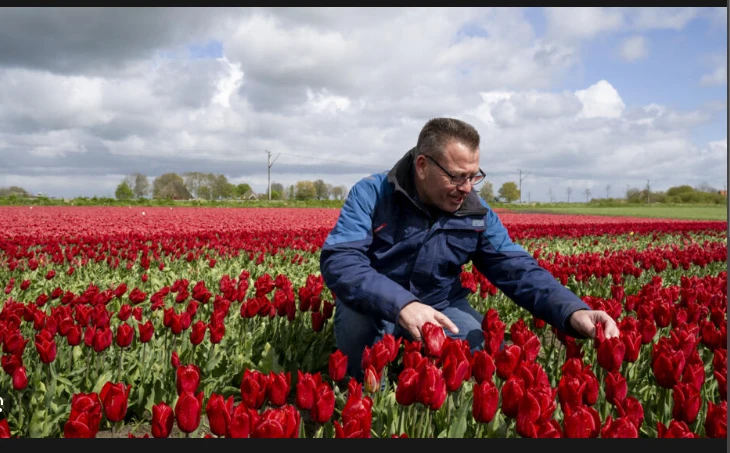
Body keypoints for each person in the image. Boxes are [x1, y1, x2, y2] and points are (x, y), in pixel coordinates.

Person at [319, 117, 620, 381]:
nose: (467, 187)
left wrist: (574, 311)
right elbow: (342, 261)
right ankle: (372, 398)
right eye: (456, 176)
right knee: (360, 341)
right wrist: (402, 305)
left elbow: (515, 267)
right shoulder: (373, 193)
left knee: (488, 358)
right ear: (422, 166)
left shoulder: (475, 212)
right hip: (376, 303)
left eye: (473, 176)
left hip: (440, 306)